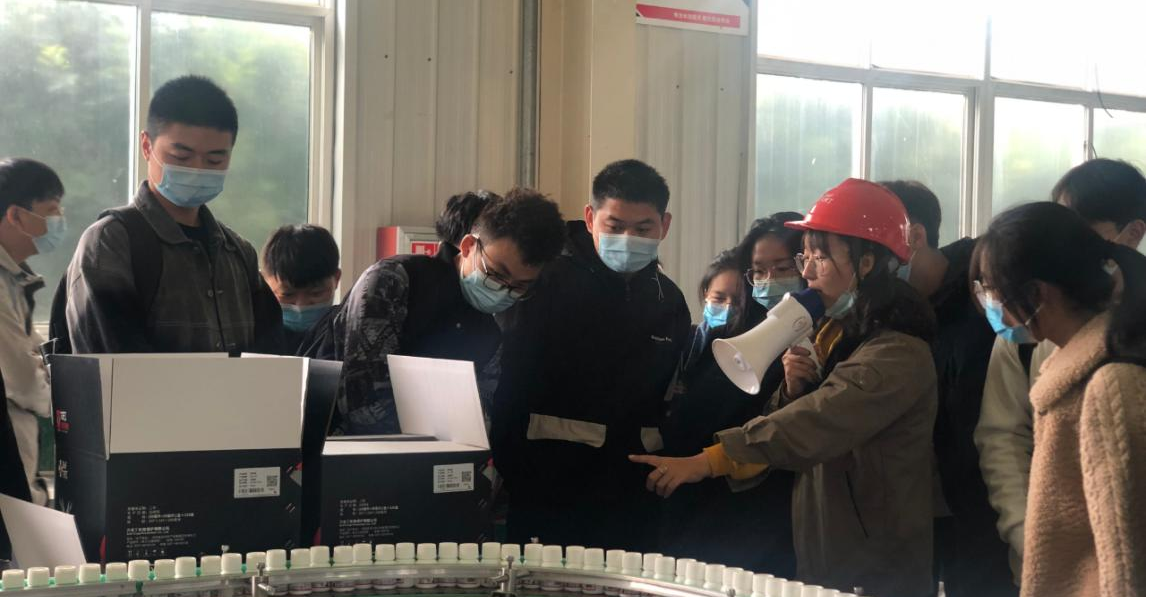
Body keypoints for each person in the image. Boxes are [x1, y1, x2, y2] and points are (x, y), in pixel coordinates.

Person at [631, 179, 937, 597]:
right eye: (804, 257)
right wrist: (794, 389)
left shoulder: (898, 352)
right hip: (830, 561)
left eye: (820, 258)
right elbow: (791, 417)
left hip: (876, 571)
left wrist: (709, 460)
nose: (806, 272)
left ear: (866, 263)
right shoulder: (832, 336)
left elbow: (817, 421)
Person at [492, 159, 691, 552]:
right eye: (614, 226)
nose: (628, 239)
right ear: (589, 218)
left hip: (633, 500)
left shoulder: (668, 300)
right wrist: (513, 472)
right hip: (547, 492)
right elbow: (507, 382)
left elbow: (670, 399)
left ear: (664, 225)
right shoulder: (543, 282)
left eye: (643, 229)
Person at [974, 158, 1146, 583]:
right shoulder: (1038, 342)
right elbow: (1002, 438)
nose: (994, 305)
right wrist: (1029, 538)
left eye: (995, 290)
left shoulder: (1114, 377)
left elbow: (1121, 553)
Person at [65, 75, 282, 354]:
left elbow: (270, 357)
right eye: (181, 157)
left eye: (215, 159)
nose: (198, 169)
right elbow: (112, 364)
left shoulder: (238, 253)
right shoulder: (112, 243)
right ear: (147, 146)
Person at [329, 187, 565, 434]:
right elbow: (363, 405)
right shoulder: (395, 281)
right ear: (468, 246)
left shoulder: (489, 335)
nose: (504, 290)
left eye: (519, 286)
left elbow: (479, 422)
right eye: (496, 274)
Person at [881, 180, 1013, 596]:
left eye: (875, 249)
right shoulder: (899, 312)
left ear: (915, 236)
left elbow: (999, 435)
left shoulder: (984, 307)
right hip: (937, 515)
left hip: (993, 520)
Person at [658, 247, 796, 576]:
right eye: (719, 298)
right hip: (679, 492)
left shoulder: (768, 359)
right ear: (705, 293)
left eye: (738, 301)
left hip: (735, 508)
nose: (728, 309)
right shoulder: (688, 345)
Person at [0, 157, 61, 506]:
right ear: (16, 215)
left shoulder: (14, 278)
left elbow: (32, 355)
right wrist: (53, 389)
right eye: (51, 211)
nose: (59, 220)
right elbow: (23, 378)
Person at [261, 224, 341, 354]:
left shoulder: (345, 334)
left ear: (337, 279)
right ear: (264, 282)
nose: (301, 306)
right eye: (287, 294)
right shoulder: (252, 334)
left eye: (316, 293)